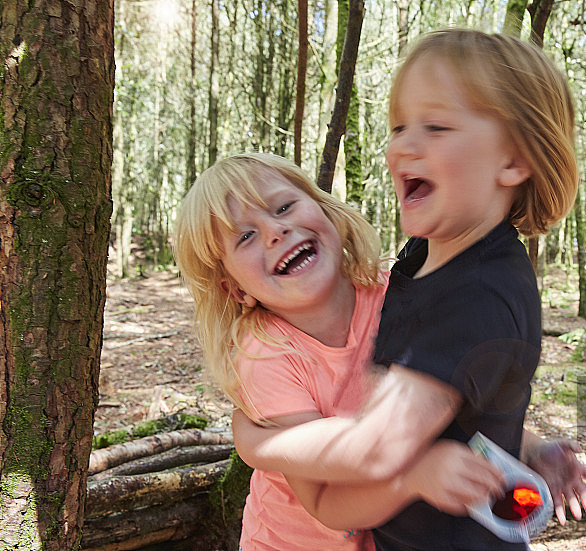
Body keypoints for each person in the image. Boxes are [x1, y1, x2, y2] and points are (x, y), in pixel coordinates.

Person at [232, 28, 586, 551]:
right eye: (401, 126)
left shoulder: (476, 295)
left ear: (514, 160)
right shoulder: (426, 256)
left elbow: (378, 448)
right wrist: (526, 444)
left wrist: (255, 442)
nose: (404, 145)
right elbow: (459, 401)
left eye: (436, 126)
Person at [173, 152, 507, 551]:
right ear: (235, 289)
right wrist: (414, 477)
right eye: (244, 236)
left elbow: (454, 400)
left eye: (283, 206)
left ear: (325, 212)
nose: (275, 230)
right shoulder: (264, 355)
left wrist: (533, 448)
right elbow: (324, 502)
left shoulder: (395, 297)